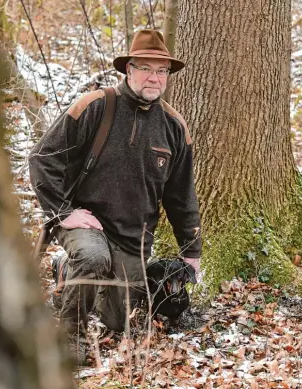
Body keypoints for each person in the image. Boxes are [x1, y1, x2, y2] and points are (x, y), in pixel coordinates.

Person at [29, 29, 202, 364]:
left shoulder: (174, 127)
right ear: (129, 69)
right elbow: (42, 159)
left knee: (118, 319)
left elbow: (182, 195)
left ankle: (68, 273)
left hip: (132, 235)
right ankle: (72, 338)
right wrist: (63, 212)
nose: (154, 78)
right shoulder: (95, 106)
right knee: (93, 258)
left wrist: (191, 251)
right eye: (146, 69)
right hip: (84, 220)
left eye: (162, 71)